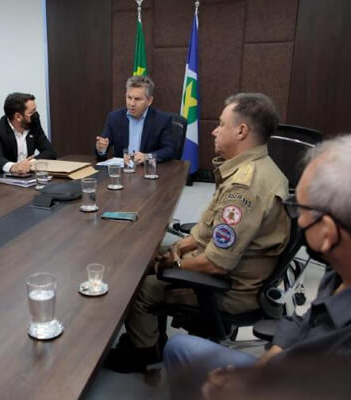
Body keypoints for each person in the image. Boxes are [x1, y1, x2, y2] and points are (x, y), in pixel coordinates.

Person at [105, 93, 290, 373]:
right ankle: (152, 334)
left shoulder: (245, 187)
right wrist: (178, 247)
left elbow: (217, 263)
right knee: (153, 259)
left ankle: (142, 352)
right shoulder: (258, 169)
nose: (215, 130)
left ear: (241, 131)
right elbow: (208, 231)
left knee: (139, 287)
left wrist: (172, 263)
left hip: (234, 289)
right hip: (240, 272)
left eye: (221, 124)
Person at [163, 133, 351, 399]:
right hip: (287, 367)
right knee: (179, 348)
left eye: (298, 210)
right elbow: (304, 320)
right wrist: (262, 368)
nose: (294, 218)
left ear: (327, 232)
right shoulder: (340, 266)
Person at [95, 75, 175, 163]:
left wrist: (147, 157)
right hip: (122, 172)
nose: (132, 103)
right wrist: (101, 148)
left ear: (149, 101)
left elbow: (169, 150)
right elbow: (102, 147)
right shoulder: (114, 118)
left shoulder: (162, 120)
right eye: (129, 98)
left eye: (137, 99)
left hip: (147, 171)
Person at [0, 92, 57, 175]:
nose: (35, 115)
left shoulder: (34, 123)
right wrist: (13, 167)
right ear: (18, 117)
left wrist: (31, 162)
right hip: (2, 178)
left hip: (27, 176)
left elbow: (50, 151)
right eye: (31, 112)